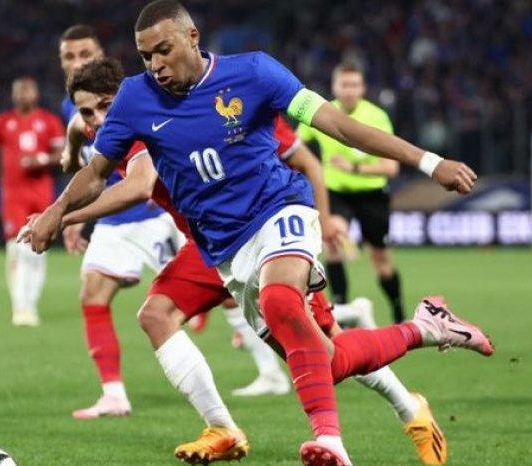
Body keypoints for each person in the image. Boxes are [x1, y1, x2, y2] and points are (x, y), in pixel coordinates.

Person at [25, 2, 492, 465]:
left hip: (279, 209)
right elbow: (94, 167)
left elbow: (338, 126)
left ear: (192, 37)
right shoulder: (133, 99)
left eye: (163, 50)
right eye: (146, 56)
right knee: (326, 360)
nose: (155, 65)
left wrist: (429, 162)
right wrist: (57, 209)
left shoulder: (254, 74)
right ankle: (424, 328)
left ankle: (329, 443)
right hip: (222, 248)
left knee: (280, 300)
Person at [56, 24, 185, 419]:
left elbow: (141, 184)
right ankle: (113, 395)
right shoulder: (79, 107)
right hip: (113, 219)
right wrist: (70, 154)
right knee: (92, 295)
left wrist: (65, 216)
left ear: (102, 55)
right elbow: (78, 131)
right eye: (69, 56)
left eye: (84, 54)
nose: (77, 62)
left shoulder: (131, 100)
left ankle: (281, 365)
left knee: (230, 295)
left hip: (157, 213)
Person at [298, 62, 406, 323]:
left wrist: (354, 168)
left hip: (372, 195)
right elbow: (293, 145)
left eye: (354, 85)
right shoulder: (322, 112)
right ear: (334, 87)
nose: (349, 90)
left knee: (381, 262)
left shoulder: (376, 117)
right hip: (336, 193)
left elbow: (392, 168)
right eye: (344, 84)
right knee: (333, 244)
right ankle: (342, 311)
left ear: (363, 88)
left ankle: (398, 311)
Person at [0, 76, 64, 326]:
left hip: (42, 194)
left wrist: (41, 160)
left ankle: (31, 305)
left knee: (38, 251)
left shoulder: (49, 121)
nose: (24, 95)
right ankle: (20, 307)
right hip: (14, 195)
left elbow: (63, 155)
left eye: (28, 90)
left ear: (36, 94)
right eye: (20, 91)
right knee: (16, 249)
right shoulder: (1, 122)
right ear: (13, 95)